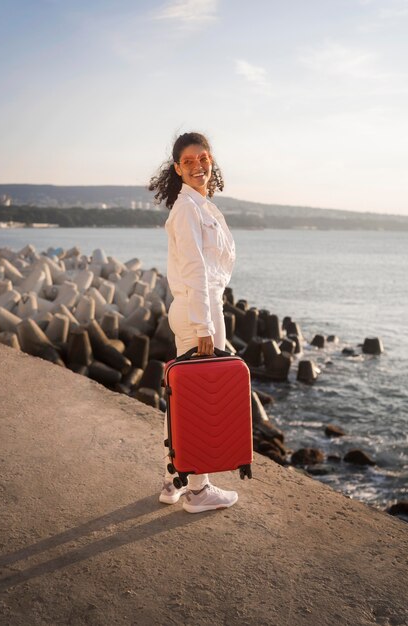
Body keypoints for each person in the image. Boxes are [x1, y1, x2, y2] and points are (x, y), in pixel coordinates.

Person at [149, 131, 237, 513]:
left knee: (182, 399)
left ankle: (173, 481)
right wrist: (205, 327)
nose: (198, 165)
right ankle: (199, 491)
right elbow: (196, 270)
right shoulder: (187, 209)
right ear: (177, 168)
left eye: (203, 158)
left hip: (197, 310)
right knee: (203, 398)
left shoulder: (200, 205)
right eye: (189, 161)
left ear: (211, 160)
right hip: (196, 313)